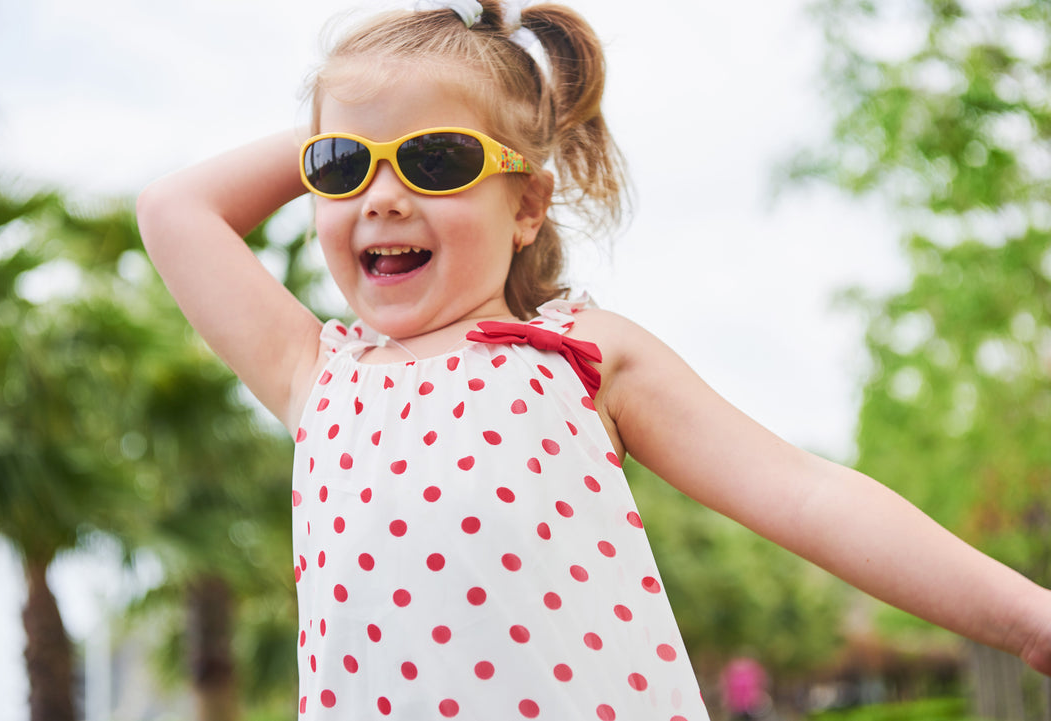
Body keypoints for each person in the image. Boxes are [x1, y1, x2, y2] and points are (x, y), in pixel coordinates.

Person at [136, 1, 1051, 719]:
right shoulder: (315, 371)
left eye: (437, 159)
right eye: (340, 167)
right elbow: (175, 209)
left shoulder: (578, 352)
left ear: (527, 205)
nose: (381, 198)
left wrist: (1026, 617)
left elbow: (808, 493)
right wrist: (365, 111)